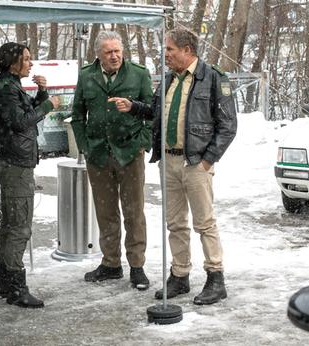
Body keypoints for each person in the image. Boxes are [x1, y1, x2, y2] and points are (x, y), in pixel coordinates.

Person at [109, 28, 237, 305]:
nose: (165, 54)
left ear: (187, 50)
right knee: (175, 224)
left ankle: (216, 278)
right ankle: (180, 275)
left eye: (170, 50)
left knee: (205, 223)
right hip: (168, 161)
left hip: (195, 163)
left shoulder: (213, 78)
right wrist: (132, 107)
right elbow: (157, 112)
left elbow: (228, 127)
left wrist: (207, 160)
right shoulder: (168, 80)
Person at [71, 31, 154, 290]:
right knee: (106, 213)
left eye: (117, 50)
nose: (115, 55)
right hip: (98, 155)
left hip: (130, 153)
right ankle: (111, 264)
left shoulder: (138, 74)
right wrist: (85, 147)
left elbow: (153, 113)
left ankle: (137, 266)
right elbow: (76, 116)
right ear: (98, 54)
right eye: (108, 52)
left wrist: (142, 143)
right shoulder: (86, 75)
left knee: (134, 213)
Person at [0, 42, 61, 308]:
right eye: (27, 59)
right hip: (16, 166)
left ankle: (6, 284)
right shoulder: (7, 89)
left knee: (10, 225)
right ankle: (16, 288)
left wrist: (42, 93)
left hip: (14, 163)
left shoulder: (10, 86)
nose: (31, 64)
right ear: (12, 62)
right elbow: (22, 121)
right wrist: (49, 105)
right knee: (19, 227)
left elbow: (28, 114)